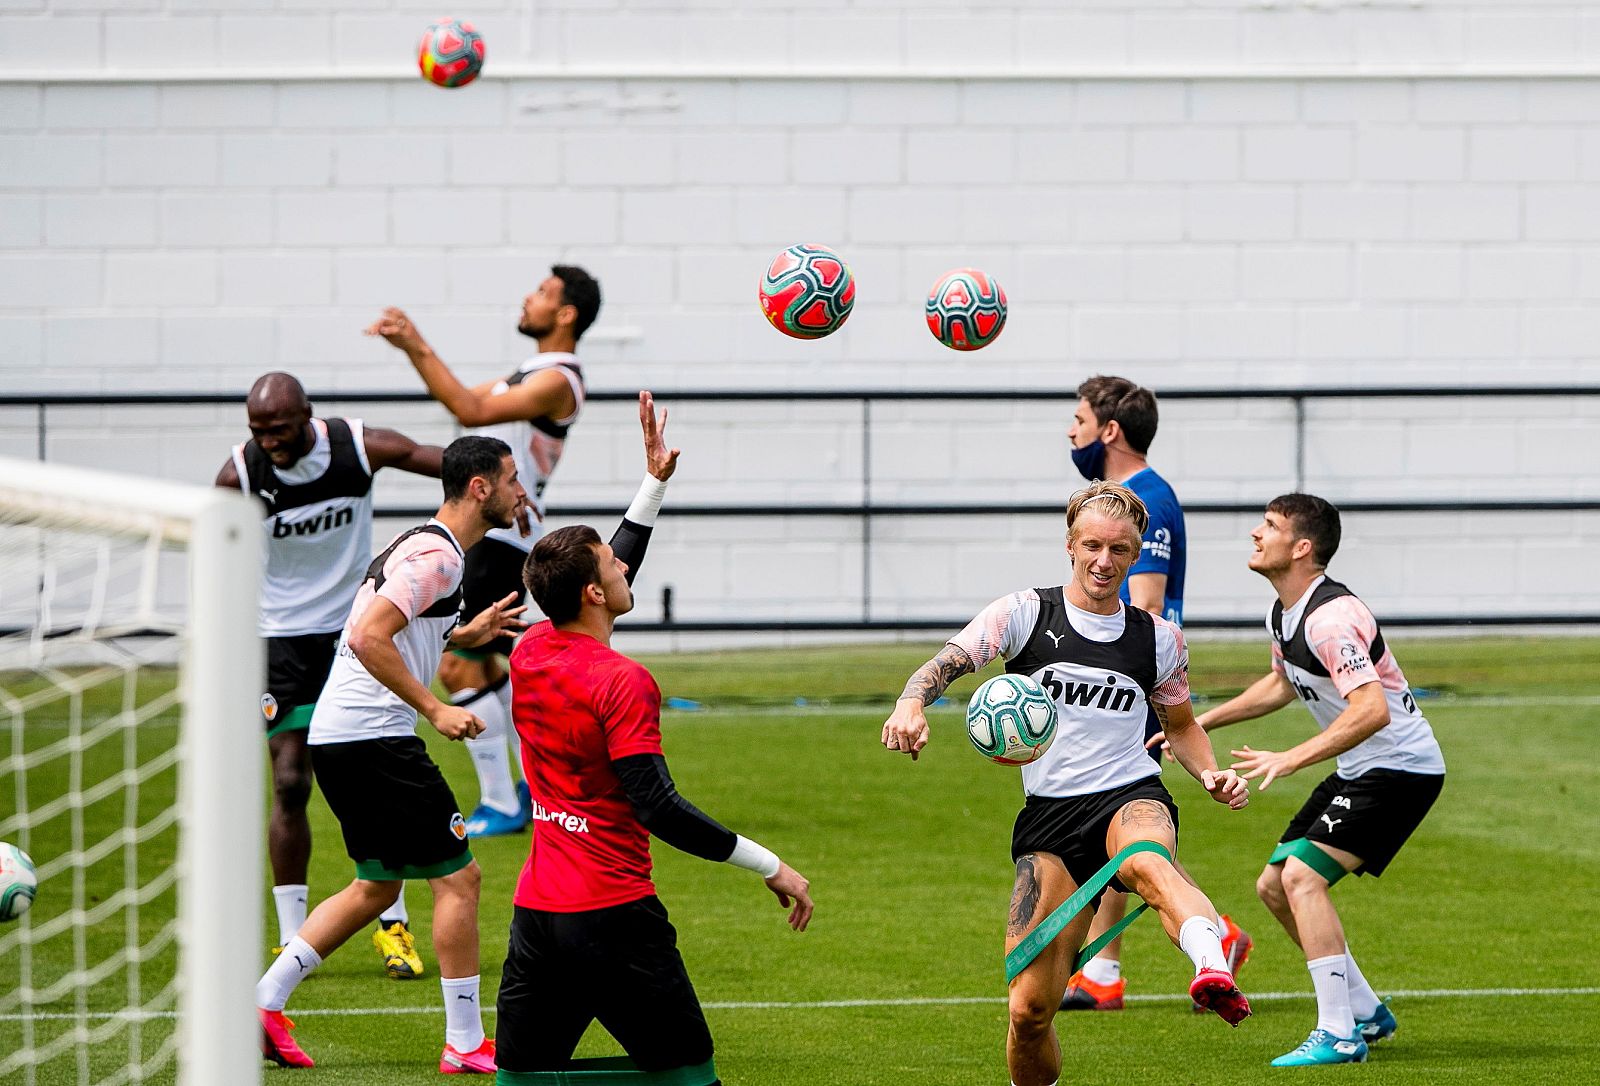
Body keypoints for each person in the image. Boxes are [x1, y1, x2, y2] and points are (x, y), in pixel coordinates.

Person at [881, 480, 1251, 1086]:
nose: (1105, 562)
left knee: (1145, 858)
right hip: (1050, 819)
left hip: (1131, 793)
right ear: (1071, 545)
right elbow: (948, 661)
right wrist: (911, 702)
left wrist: (1208, 771)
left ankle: (1212, 966)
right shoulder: (1024, 614)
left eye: (1121, 550)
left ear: (1136, 555)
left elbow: (1180, 726)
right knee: (1028, 1012)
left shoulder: (1158, 639)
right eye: (1093, 547)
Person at [494, 412, 814, 1086]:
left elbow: (600, 566)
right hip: (612, 915)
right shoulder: (623, 682)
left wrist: (653, 484)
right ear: (591, 592)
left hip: (539, 916)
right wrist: (769, 865)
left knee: (522, 1079)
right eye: (613, 565)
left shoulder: (529, 651)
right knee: (690, 1077)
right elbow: (657, 806)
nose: (624, 563)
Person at [255, 435, 529, 1073]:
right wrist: (435, 709)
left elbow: (400, 630)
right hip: (375, 738)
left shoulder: (426, 545)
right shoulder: (439, 557)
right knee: (459, 878)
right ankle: (464, 1043)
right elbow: (368, 635)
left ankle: (263, 1002)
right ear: (480, 488)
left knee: (376, 887)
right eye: (513, 480)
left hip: (340, 736)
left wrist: (466, 632)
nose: (521, 493)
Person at [1177, 494, 1445, 1067]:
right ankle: (1366, 1011)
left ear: (1301, 548)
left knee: (1301, 879)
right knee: (1273, 886)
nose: (1255, 533)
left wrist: (1292, 758)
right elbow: (1281, 684)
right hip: (1364, 769)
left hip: (1400, 771)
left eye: (1269, 527)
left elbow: (1371, 710)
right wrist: (1199, 721)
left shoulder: (1331, 618)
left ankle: (1339, 1034)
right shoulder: (1285, 612)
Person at [215, 371, 444, 980]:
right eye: (259, 431)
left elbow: (435, 460)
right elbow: (213, 547)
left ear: (308, 418)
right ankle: (294, 937)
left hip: (355, 631)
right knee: (291, 781)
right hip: (281, 640)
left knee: (367, 780)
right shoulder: (240, 473)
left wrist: (496, 482)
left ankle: (392, 928)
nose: (271, 442)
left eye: (281, 430)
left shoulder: (354, 446)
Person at [365, 264, 602, 838]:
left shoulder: (559, 379)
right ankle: (535, 787)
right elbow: (465, 403)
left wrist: (416, 344)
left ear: (566, 314)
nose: (529, 297)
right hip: (495, 537)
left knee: (455, 662)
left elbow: (471, 413)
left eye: (543, 294)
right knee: (496, 668)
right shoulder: (530, 372)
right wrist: (414, 352)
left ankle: (502, 802)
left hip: (505, 538)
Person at [1060, 375, 1252, 1012]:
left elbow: (1142, 603)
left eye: (1080, 420)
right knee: (1116, 828)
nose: (1072, 431)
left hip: (1131, 680)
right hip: (1128, 677)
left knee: (1116, 817)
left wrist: (1130, 684)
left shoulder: (1145, 501)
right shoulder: (1130, 496)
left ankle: (1110, 970)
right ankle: (1205, 936)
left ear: (1109, 431)